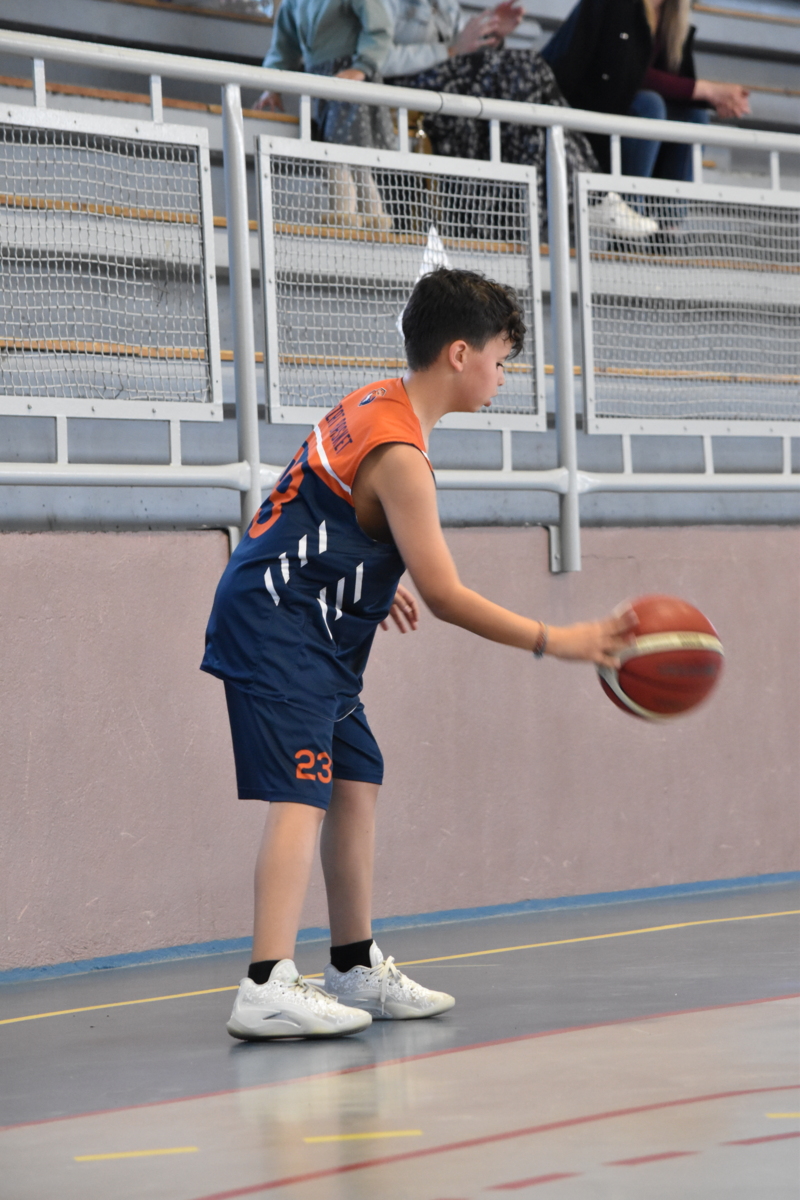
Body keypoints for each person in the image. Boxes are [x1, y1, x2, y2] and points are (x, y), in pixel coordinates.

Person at [201, 267, 637, 1041]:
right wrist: (559, 640)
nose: (503, 377)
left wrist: (371, 571)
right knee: (303, 790)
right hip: (279, 623)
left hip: (307, 614)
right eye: (501, 360)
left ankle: (352, 964)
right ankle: (266, 982)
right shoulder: (402, 451)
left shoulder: (377, 401)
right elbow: (446, 595)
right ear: (460, 354)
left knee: (356, 777)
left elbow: (318, 500)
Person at [381, 0, 656, 238]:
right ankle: (591, 193)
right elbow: (374, 59)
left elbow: (463, 50)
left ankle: (558, 209)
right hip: (410, 94)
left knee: (533, 118)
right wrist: (451, 51)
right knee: (527, 67)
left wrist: (491, 35)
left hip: (450, 91)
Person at [542, 0, 750, 180]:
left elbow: (675, 86)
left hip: (623, 122)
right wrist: (707, 91)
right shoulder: (618, 5)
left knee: (694, 117)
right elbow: (625, 71)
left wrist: (718, 98)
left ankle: (671, 214)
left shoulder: (672, 21)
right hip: (587, 119)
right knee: (650, 105)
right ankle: (631, 204)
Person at [253, 0, 396, 227]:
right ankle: (370, 217)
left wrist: (362, 67)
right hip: (321, 82)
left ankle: (347, 214)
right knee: (341, 152)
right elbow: (284, 46)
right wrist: (271, 86)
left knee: (341, 152)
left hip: (350, 79)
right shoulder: (293, 3)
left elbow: (379, 26)